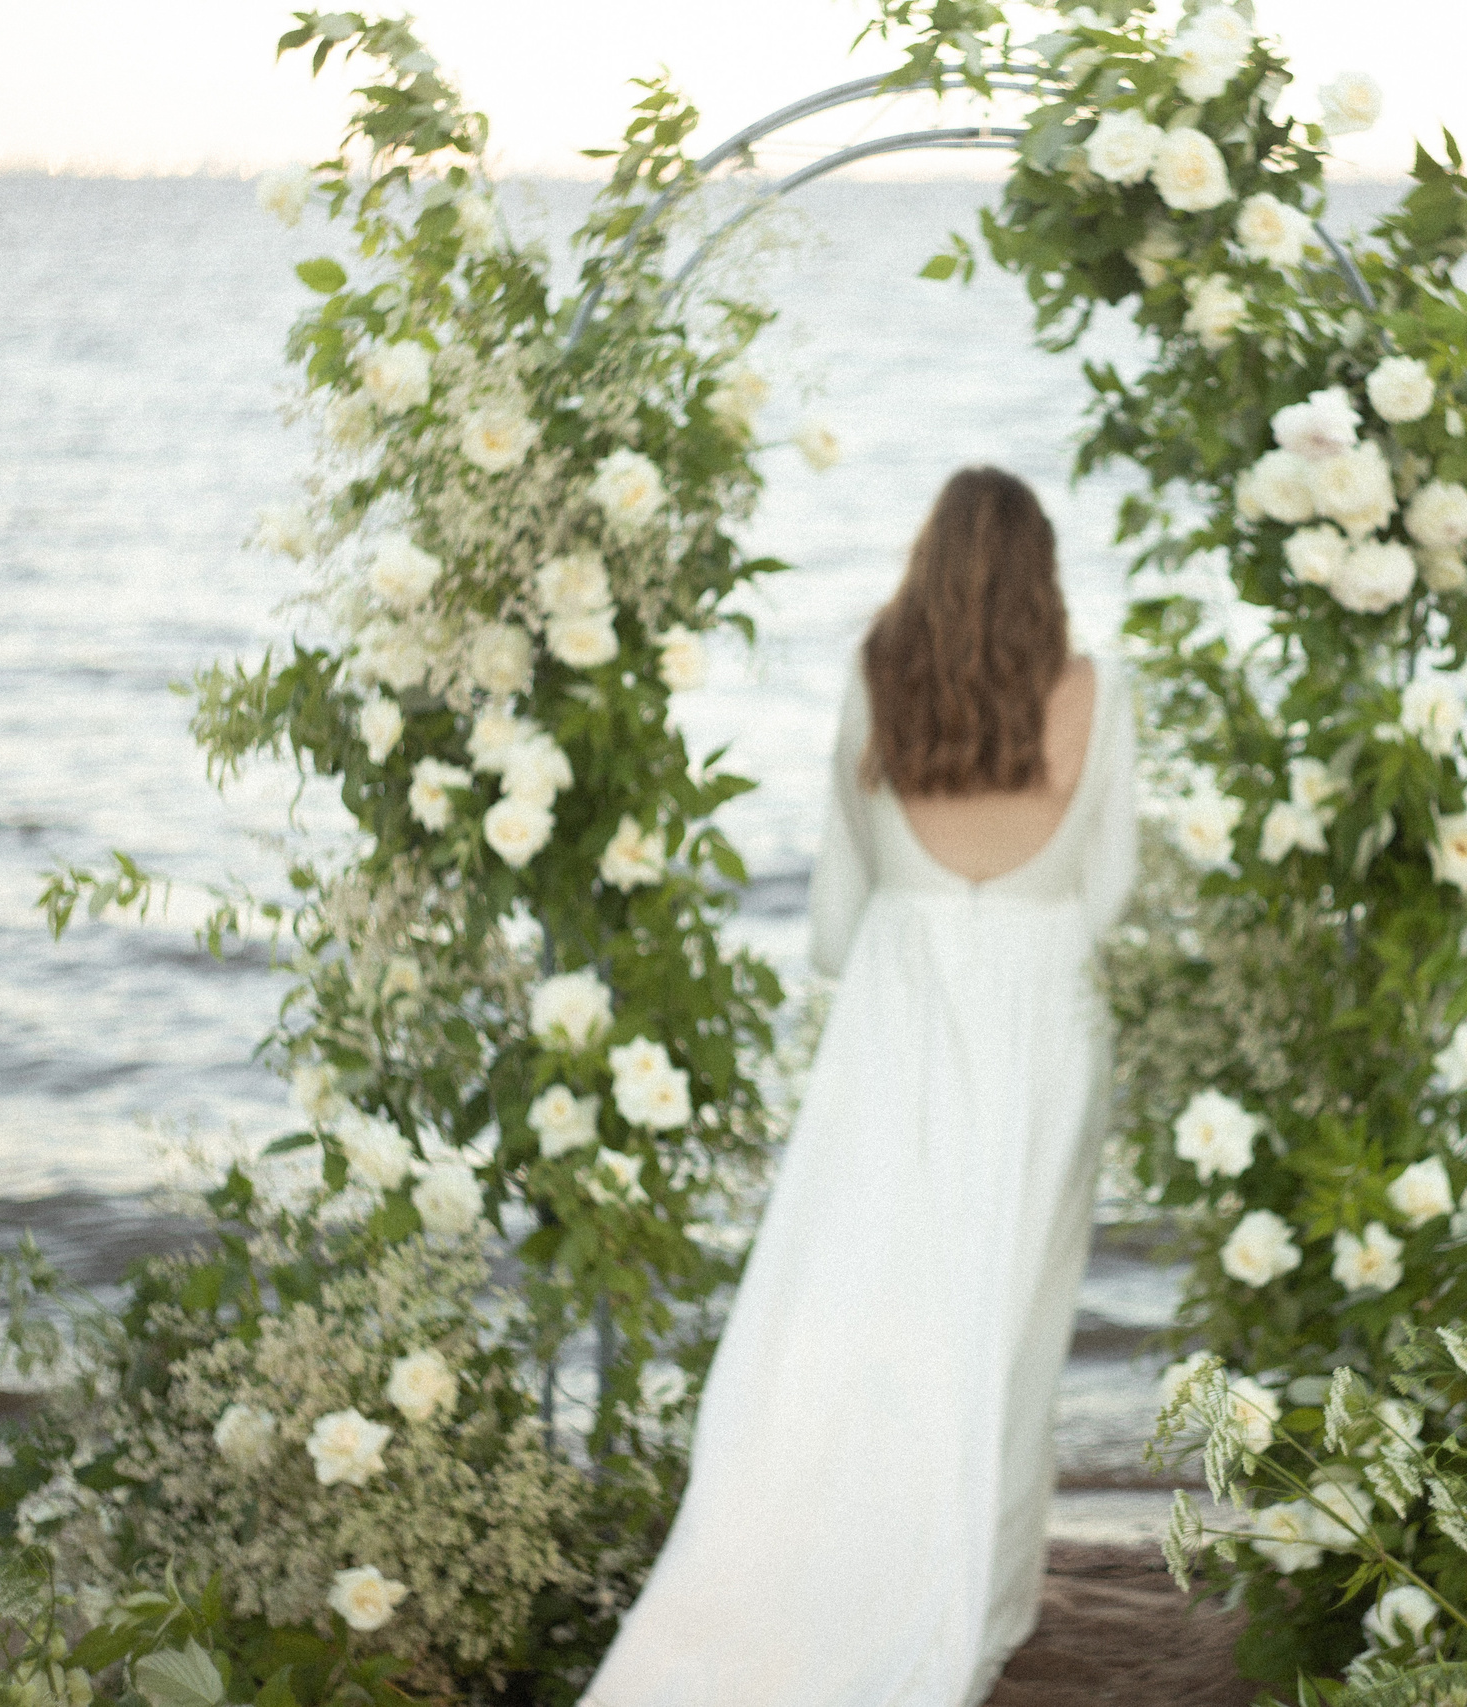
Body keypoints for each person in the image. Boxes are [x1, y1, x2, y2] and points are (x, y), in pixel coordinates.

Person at [584, 467, 1139, 1707]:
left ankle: (821, 1560)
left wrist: (912, 915)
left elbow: (835, 923)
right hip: (1045, 1019)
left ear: (924, 563)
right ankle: (986, 1611)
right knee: (1012, 1324)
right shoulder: (1097, 690)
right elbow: (1111, 893)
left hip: (896, 1022)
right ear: (1041, 572)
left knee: (857, 1319)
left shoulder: (872, 678)